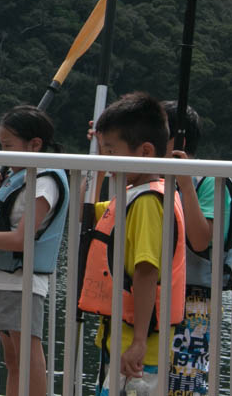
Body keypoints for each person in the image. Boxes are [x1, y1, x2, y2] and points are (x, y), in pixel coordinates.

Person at [78, 92, 186, 395]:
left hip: (138, 350)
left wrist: (139, 341)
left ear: (146, 150)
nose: (107, 158)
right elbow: (85, 214)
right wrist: (96, 162)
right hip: (121, 341)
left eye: (111, 150)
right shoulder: (132, 195)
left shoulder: (149, 201)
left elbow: (146, 271)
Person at [0, 105, 69, 396]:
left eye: (8, 146)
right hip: (1, 277)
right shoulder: (17, 176)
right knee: (12, 358)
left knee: (28, 356)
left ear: (35, 145)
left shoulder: (44, 181)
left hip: (21, 281)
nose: (3, 152)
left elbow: (22, 239)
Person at [164, 101, 232, 395]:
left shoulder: (208, 181)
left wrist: (184, 183)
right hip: (151, 291)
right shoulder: (145, 178)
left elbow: (200, 240)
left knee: (184, 383)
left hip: (194, 297)